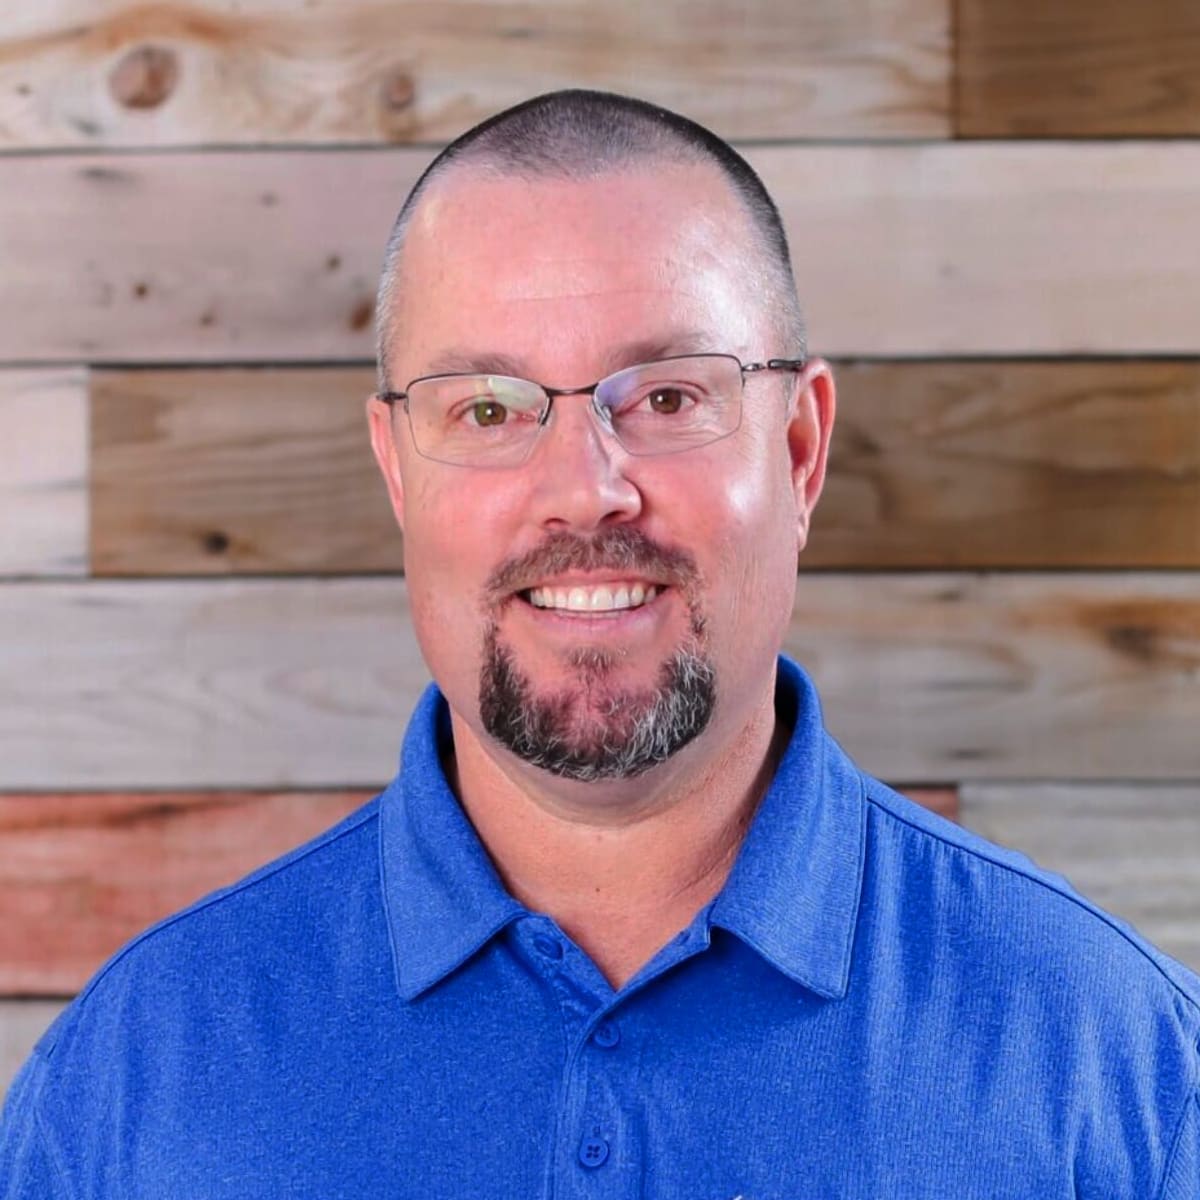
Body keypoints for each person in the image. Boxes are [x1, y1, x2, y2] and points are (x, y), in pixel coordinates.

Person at [2, 90, 1197, 1199]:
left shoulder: (1123, 1072)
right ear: (399, 473)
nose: (583, 490)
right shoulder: (131, 1086)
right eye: (487, 407)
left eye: (668, 398)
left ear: (799, 453)